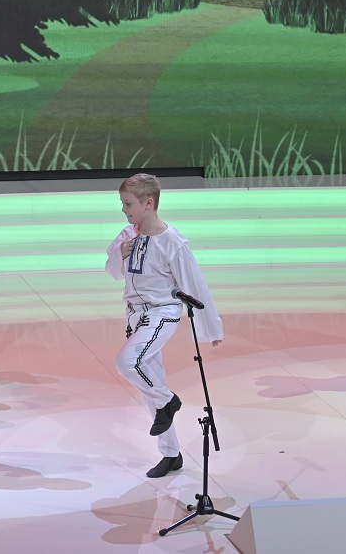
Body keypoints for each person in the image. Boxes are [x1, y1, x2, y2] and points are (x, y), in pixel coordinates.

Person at [105, 173, 223, 479]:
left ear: (148, 203)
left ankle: (168, 400)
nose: (123, 209)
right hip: (134, 315)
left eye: (128, 203)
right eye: (122, 203)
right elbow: (112, 272)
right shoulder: (126, 235)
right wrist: (120, 253)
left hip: (162, 313)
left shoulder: (173, 243)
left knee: (128, 362)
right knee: (150, 380)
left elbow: (194, 284)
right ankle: (171, 453)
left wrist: (211, 328)